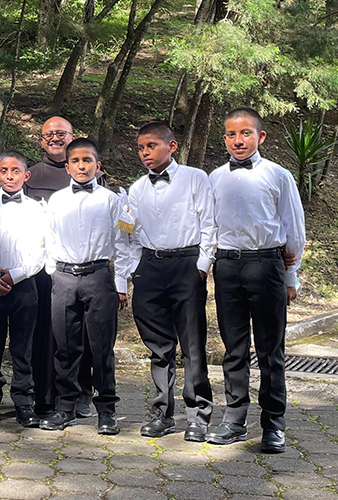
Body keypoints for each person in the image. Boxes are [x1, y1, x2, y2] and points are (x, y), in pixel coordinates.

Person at [206, 107, 305, 454]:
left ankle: (273, 423)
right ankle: (234, 420)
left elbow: (293, 227)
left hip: (266, 265)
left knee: (269, 348)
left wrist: (290, 275)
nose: (238, 140)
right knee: (233, 348)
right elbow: (209, 226)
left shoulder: (278, 175)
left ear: (260, 137)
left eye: (245, 133)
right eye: (232, 134)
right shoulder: (215, 177)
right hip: (227, 266)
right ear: (225, 139)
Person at [128, 121, 215, 441]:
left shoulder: (196, 178)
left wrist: (202, 266)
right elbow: (130, 233)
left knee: (192, 344)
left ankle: (198, 415)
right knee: (158, 346)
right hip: (150, 268)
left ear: (172, 146)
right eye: (140, 148)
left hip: (186, 265)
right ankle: (162, 413)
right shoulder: (136, 189)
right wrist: (134, 270)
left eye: (151, 146)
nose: (145, 153)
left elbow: (209, 223)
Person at [40, 137, 130, 435]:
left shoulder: (111, 200)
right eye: (76, 161)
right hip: (64, 278)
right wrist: (53, 272)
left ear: (97, 165)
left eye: (87, 160)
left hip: (98, 276)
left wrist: (120, 283)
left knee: (102, 348)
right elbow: (49, 237)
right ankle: (66, 407)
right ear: (67, 167)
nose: (82, 166)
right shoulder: (57, 201)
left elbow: (122, 243)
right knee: (65, 347)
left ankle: (107, 410)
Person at [24, 116, 96, 419]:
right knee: (46, 332)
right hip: (41, 268)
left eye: (61, 133)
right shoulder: (29, 175)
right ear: (41, 140)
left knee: (82, 333)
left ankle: (82, 393)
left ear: (72, 136)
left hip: (83, 266)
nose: (54, 138)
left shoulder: (89, 172)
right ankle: (45, 392)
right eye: (48, 134)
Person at [0, 151, 47, 428]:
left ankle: (24, 401)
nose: (10, 176)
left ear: (26, 175)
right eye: (4, 171)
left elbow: (41, 250)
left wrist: (15, 276)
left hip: (24, 285)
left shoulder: (37, 209)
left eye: (16, 171)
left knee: (22, 346)